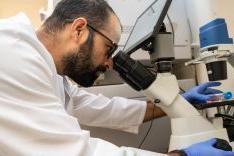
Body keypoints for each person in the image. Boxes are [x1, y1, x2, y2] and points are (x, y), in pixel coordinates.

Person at [0, 0, 233, 155]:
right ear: (79, 30)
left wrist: (176, 103)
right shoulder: (13, 53)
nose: (109, 62)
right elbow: (77, 153)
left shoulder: (46, 66)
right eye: (109, 48)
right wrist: (183, 155)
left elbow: (96, 107)